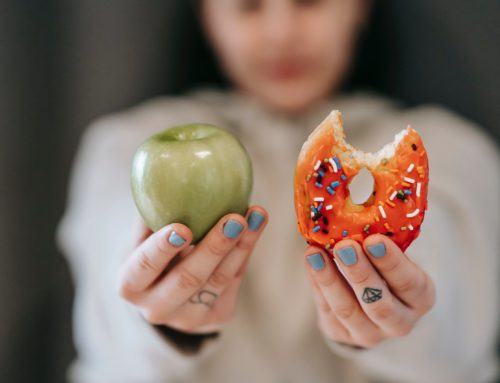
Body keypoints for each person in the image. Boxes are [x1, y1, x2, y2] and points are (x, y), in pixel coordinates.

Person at [55, 0, 500, 382]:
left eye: (310, 1)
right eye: (248, 5)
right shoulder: (120, 146)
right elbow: (106, 326)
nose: (281, 32)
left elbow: (456, 317)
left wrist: (407, 319)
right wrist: (158, 320)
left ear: (360, 6)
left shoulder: (455, 150)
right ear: (207, 14)